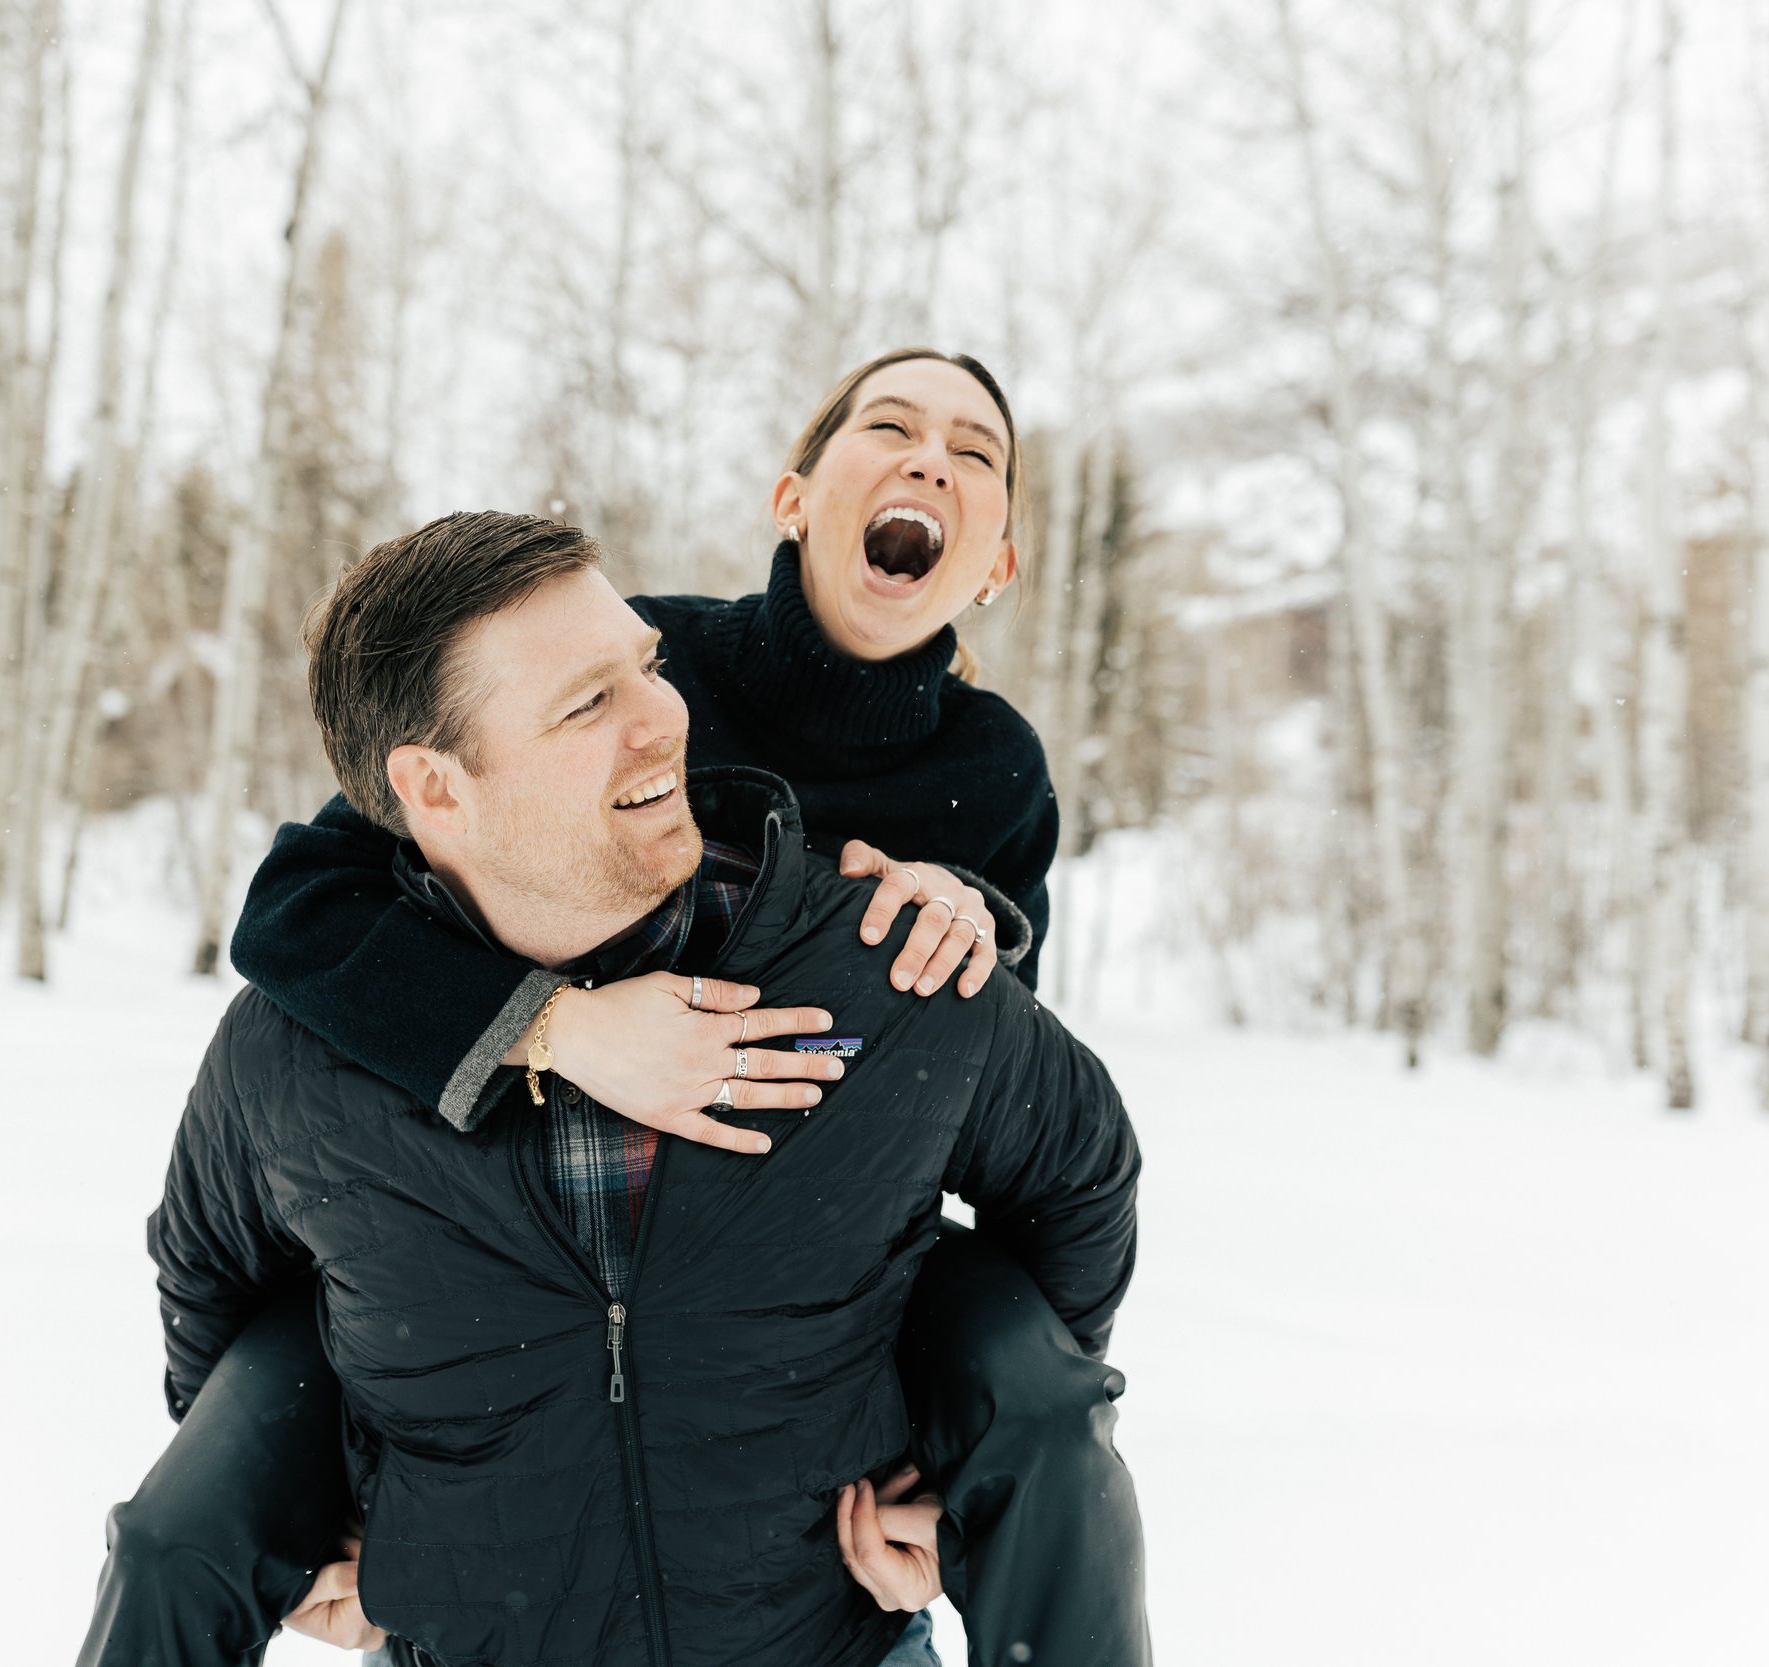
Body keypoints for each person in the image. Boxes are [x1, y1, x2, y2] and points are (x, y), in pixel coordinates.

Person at [79, 351, 1152, 1665]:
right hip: (513, 1260)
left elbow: (1022, 1128)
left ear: (998, 565)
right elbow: (305, 902)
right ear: (794, 497)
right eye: (890, 424)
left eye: (977, 453)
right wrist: (552, 1027)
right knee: (182, 1525)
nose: (659, 720)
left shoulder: (994, 771)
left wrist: (960, 1471)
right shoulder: (659, 646)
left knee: (1035, 1391)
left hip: (816, 1250)